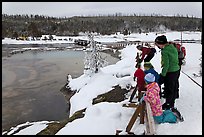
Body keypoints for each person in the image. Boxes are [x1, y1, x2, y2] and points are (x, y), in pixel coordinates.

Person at [155, 35, 180, 110]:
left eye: (157, 44)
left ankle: (169, 104)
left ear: (161, 43)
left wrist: (162, 75)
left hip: (170, 71)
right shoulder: (172, 47)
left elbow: (166, 65)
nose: (157, 46)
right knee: (174, 87)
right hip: (176, 70)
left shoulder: (165, 51)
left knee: (169, 88)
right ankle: (172, 100)